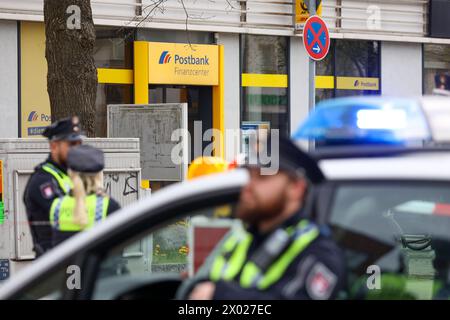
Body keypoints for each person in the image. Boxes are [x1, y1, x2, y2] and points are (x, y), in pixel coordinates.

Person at [188, 136, 347, 300]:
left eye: (262, 178)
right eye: (250, 176)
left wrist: (220, 295)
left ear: (296, 188)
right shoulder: (242, 239)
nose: (248, 187)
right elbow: (204, 284)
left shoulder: (319, 253)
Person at [23, 116, 83, 257]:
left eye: (79, 143)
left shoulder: (71, 176)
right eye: (71, 144)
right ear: (54, 146)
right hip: (55, 265)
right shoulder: (43, 180)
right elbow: (68, 216)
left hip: (74, 260)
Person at [49, 144, 121, 247]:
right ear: (99, 175)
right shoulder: (109, 206)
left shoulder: (57, 205)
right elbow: (116, 253)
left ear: (70, 173)